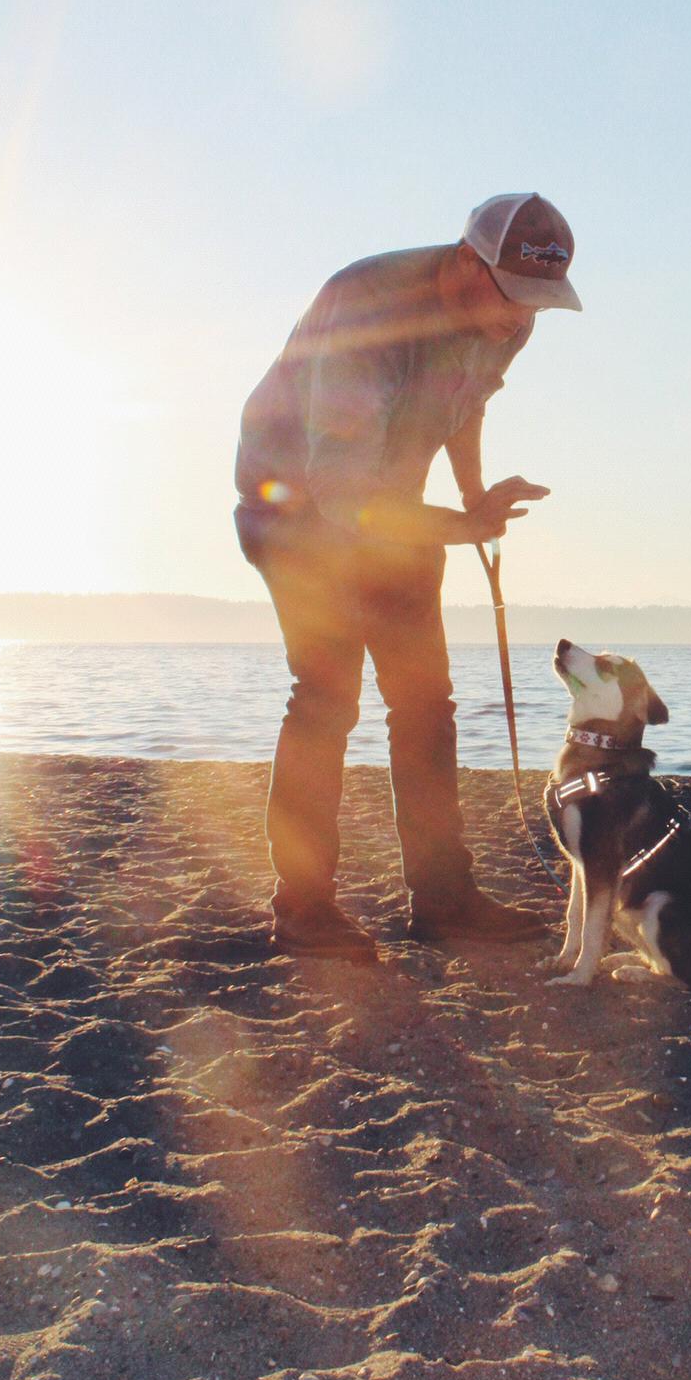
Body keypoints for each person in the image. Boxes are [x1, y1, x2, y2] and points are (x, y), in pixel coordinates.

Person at [233, 192, 580, 962]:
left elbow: (467, 403)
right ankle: (304, 912)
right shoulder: (372, 307)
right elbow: (341, 493)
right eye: (516, 296)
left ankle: (444, 900)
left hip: (393, 515)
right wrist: (459, 530)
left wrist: (472, 497)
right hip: (294, 511)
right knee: (327, 697)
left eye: (540, 303)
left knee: (426, 704)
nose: (521, 320)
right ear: (467, 262)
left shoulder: (507, 318)